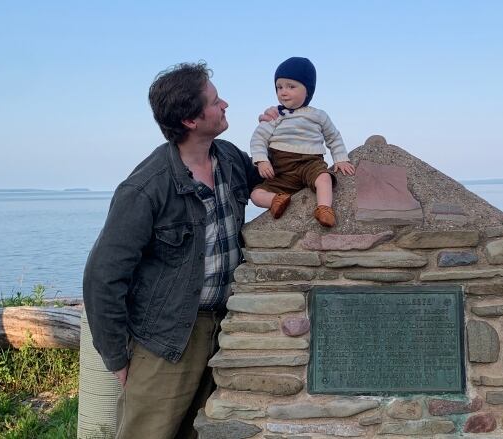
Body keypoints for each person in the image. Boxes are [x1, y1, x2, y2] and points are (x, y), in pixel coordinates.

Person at [83, 61, 262, 439]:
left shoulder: (229, 158)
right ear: (191, 121)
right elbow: (102, 276)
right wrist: (117, 357)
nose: (225, 104)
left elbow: (275, 182)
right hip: (166, 339)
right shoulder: (146, 188)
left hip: (227, 327)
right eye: (215, 101)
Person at [249, 56, 355, 227]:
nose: (283, 92)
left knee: (324, 179)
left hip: (309, 163)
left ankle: (324, 209)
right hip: (281, 169)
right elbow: (258, 138)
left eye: (291, 86)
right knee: (256, 194)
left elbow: (333, 137)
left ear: (308, 91)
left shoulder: (318, 115)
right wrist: (262, 160)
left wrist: (341, 158)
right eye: (279, 87)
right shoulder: (276, 115)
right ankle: (276, 200)